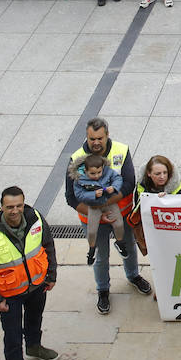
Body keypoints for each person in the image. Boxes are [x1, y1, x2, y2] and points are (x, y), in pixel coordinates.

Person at [63, 117, 152, 315]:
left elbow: (129, 183)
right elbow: (71, 197)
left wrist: (107, 204)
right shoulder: (77, 158)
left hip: (121, 214)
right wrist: (98, 214)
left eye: (99, 138)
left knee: (128, 247)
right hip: (93, 219)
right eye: (91, 138)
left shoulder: (121, 150)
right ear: (86, 136)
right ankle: (103, 290)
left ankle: (133, 276)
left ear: (107, 135)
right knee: (101, 256)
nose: (95, 142)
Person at [0, 186, 58, 360]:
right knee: (12, 338)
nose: (15, 211)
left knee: (34, 320)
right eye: (10, 206)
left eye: (19, 205)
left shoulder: (36, 218)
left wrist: (51, 275)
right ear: (1, 207)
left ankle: (34, 347)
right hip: (9, 295)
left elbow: (48, 245)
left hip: (37, 286)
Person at [71, 153, 130, 260]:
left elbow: (118, 179)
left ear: (103, 168)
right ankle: (92, 248)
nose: (97, 176)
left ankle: (120, 242)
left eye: (99, 172)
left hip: (109, 202)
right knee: (92, 230)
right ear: (85, 170)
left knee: (119, 224)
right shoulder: (80, 180)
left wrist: (114, 187)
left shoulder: (108, 171)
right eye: (92, 174)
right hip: (94, 205)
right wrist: (93, 195)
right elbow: (79, 195)